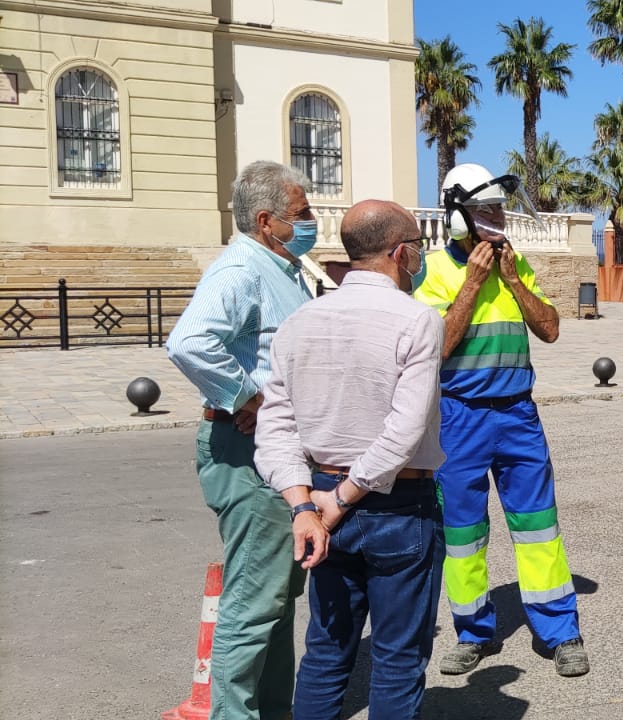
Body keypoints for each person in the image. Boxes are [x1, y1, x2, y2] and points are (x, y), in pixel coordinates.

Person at [253, 200, 446, 720]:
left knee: (327, 649)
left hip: (321, 499)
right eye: (418, 249)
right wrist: (340, 499)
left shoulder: (300, 321)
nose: (419, 259)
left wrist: (303, 506)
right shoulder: (417, 319)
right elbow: (404, 431)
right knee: (398, 658)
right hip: (394, 503)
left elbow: (275, 426)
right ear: (401, 253)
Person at [413, 163, 589, 677]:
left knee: (539, 527)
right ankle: (472, 633)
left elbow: (550, 328)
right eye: (486, 211)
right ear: (458, 217)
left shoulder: (517, 264)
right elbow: (439, 346)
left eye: (499, 210)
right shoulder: (432, 271)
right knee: (463, 533)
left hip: (518, 414)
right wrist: (472, 284)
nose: (498, 220)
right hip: (458, 417)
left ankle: (561, 632)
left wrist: (512, 280)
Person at [166, 160, 315, 720]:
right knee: (254, 601)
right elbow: (189, 342)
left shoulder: (285, 267)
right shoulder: (241, 269)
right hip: (245, 450)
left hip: (276, 449)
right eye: (301, 212)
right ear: (266, 220)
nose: (310, 221)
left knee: (276, 598)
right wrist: (250, 398)